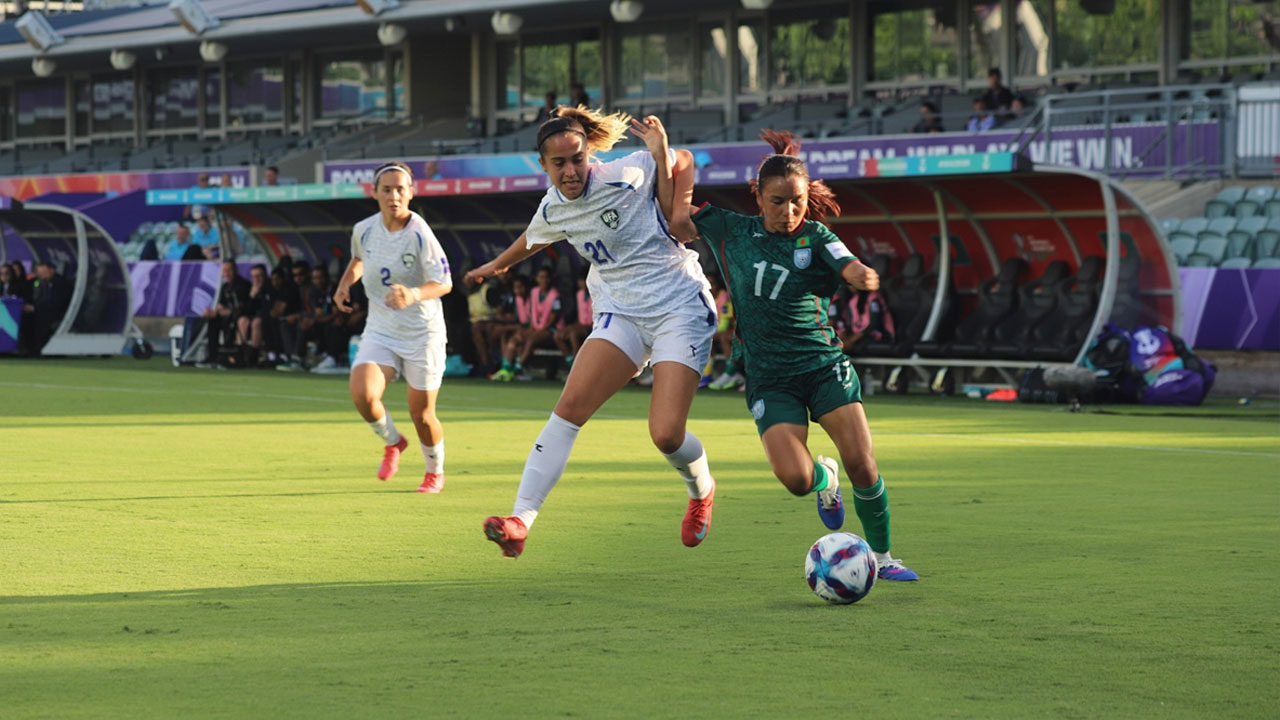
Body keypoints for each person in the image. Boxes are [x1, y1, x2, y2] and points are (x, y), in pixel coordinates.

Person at [466, 107, 716, 559]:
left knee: (665, 435)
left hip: (679, 307)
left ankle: (701, 490)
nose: (570, 171)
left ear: (589, 155)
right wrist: (497, 265)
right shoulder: (553, 207)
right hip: (621, 313)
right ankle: (520, 521)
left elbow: (683, 160)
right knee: (568, 410)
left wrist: (675, 200)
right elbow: (534, 238)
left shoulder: (626, 173)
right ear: (543, 165)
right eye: (559, 163)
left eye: (577, 159)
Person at [686, 130, 919, 582]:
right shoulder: (732, 230)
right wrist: (664, 157)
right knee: (795, 479)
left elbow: (847, 262)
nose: (789, 211)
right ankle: (826, 481)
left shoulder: (815, 237)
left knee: (863, 464)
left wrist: (860, 274)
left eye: (797, 201)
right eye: (778, 201)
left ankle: (884, 556)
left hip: (823, 367)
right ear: (758, 198)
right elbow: (679, 213)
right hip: (770, 378)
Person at [333, 161, 453, 493]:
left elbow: (444, 283)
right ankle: (394, 442)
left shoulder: (419, 233)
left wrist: (412, 294)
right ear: (375, 193)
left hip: (422, 333)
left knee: (422, 415)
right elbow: (359, 260)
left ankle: (434, 471)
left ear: (411, 193)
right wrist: (344, 285)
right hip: (381, 329)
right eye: (387, 189)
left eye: (401, 189)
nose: (394, 196)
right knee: (363, 394)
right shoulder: (364, 229)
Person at [200, 260, 250, 364]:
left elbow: (239, 308)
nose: (227, 273)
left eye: (229, 270)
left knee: (229, 322)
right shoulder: (225, 286)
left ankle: (231, 356)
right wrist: (212, 312)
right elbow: (221, 305)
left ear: (235, 270)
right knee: (212, 321)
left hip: (240, 316)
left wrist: (219, 313)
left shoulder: (243, 285)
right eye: (225, 271)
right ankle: (213, 355)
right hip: (227, 317)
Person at [21, 261, 72, 355]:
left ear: (52, 270)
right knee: (27, 319)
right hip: (43, 312)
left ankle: (38, 350)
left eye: (44, 273)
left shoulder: (61, 284)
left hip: (59, 315)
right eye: (40, 274)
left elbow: (55, 304)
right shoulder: (40, 283)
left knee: (40, 321)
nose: (42, 276)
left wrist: (34, 308)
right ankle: (28, 349)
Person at [489, 273, 533, 380]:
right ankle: (506, 369)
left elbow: (531, 319)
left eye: (520, 287)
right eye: (515, 288)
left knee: (515, 340)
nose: (517, 290)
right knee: (505, 336)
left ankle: (512, 370)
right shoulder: (516, 299)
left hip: (531, 329)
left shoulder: (532, 298)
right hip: (521, 328)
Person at [553, 267, 592, 368]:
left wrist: (575, 328)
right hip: (581, 326)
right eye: (581, 281)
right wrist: (571, 327)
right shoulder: (579, 295)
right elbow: (580, 319)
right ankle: (570, 361)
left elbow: (593, 322)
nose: (583, 284)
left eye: (585, 280)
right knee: (558, 335)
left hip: (593, 328)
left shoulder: (596, 295)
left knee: (573, 334)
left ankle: (577, 366)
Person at [236, 263, 273, 366]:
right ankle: (240, 355)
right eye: (254, 276)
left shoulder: (270, 289)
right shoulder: (249, 289)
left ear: (265, 276)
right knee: (242, 321)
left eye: (259, 276)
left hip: (267, 320)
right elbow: (245, 311)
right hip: (252, 318)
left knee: (256, 322)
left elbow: (269, 308)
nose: (256, 279)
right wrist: (252, 296)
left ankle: (253, 357)